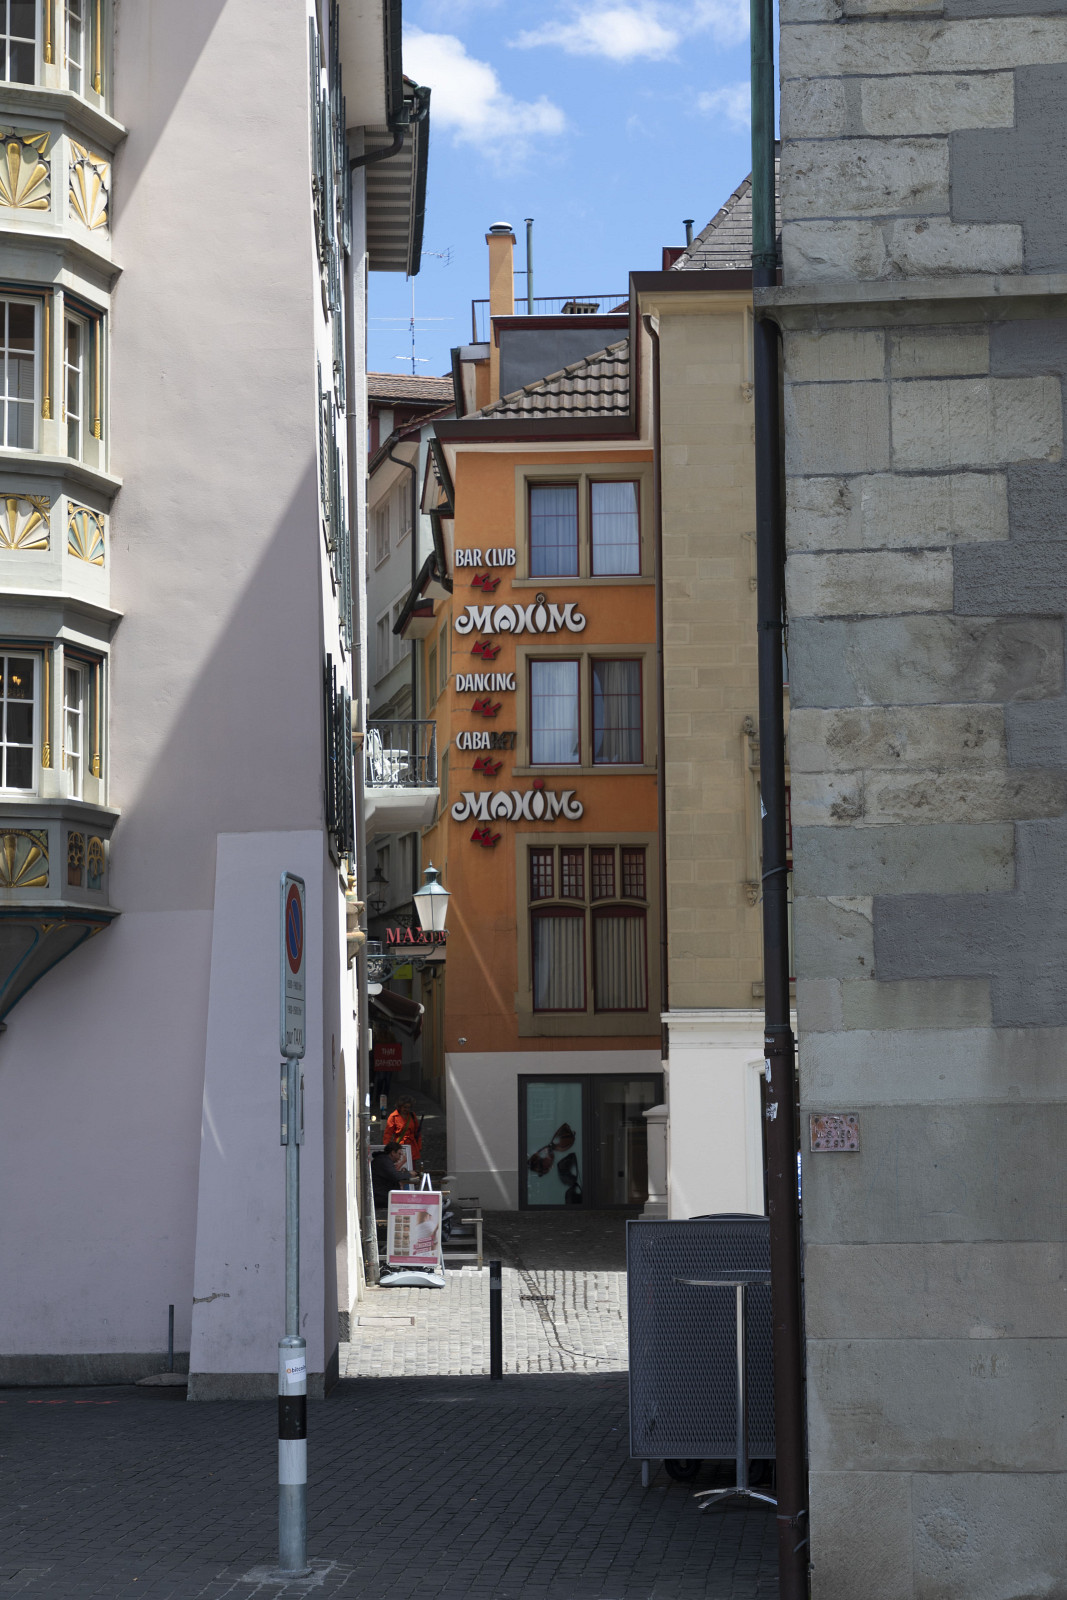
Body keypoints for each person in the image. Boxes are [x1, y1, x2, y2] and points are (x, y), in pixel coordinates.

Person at [371, 1140, 408, 1212]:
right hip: (381, 1196)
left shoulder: (383, 1159)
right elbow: (395, 1176)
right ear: (393, 1153)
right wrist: (409, 1174)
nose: (400, 1157)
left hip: (382, 1194)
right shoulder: (384, 1161)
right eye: (399, 1154)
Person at [385, 1096, 422, 1162]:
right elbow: (388, 1134)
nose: (407, 1109)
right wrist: (387, 1148)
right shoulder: (393, 1117)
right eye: (405, 1107)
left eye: (409, 1107)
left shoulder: (412, 1115)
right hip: (399, 1146)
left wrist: (419, 1146)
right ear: (400, 1107)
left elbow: (417, 1132)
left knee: (412, 1165)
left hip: (412, 1147)